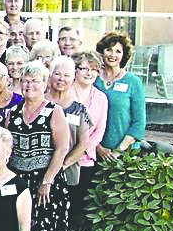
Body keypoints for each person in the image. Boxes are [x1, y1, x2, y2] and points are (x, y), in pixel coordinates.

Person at [7, 61, 71, 231]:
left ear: (45, 85)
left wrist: (47, 181)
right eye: (26, 81)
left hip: (47, 185)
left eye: (35, 81)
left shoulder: (54, 111)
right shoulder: (14, 112)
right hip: (20, 184)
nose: (30, 85)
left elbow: (62, 148)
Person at [95, 32, 146, 162]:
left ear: (123, 55)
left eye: (118, 51)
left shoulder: (133, 82)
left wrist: (118, 152)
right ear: (102, 52)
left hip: (124, 154)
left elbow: (139, 123)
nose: (112, 55)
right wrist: (97, 147)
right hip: (94, 152)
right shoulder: (93, 80)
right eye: (108, 50)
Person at [69, 51, 108, 219]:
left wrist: (82, 150)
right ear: (75, 70)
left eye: (94, 69)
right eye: (84, 68)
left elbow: (99, 131)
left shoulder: (101, 98)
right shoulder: (65, 94)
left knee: (80, 207)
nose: (89, 73)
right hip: (62, 157)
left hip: (85, 161)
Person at [47, 56, 93, 191]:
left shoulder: (79, 110)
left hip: (67, 172)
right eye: (57, 74)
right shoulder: (38, 103)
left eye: (66, 75)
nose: (61, 79)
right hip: (38, 170)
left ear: (73, 79)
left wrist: (62, 165)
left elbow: (83, 144)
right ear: (50, 76)